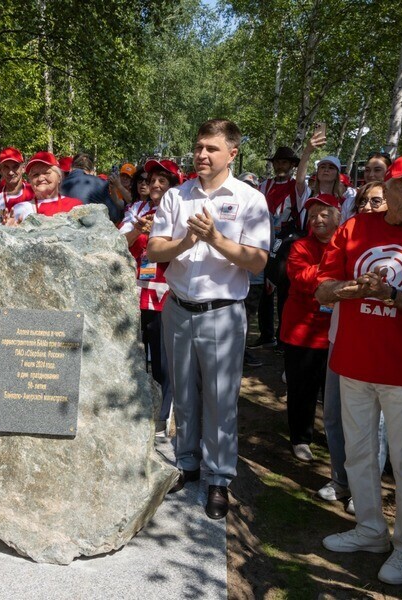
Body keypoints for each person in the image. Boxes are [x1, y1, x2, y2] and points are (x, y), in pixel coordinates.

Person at [315, 153, 402, 585]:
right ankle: (370, 530)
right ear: (387, 189)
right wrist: (351, 289)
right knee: (359, 454)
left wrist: (392, 294)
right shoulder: (354, 228)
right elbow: (323, 290)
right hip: (353, 363)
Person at [148, 119, 270, 520]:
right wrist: (188, 241)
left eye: (211, 149)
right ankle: (187, 463)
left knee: (219, 400)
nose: (201, 155)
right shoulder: (176, 196)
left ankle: (218, 479)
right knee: (183, 392)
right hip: (179, 308)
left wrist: (216, 239)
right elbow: (154, 250)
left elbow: (257, 261)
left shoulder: (250, 199)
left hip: (221, 312)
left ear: (232, 153)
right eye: (198, 147)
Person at [318, 179, 390, 513]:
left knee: (373, 425)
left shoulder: (400, 241)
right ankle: (341, 479)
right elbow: (325, 285)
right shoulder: (347, 235)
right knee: (334, 414)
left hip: (379, 346)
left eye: (377, 201)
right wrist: (346, 287)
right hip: (340, 337)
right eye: (363, 201)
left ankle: (366, 492)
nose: (368, 207)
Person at [118, 159, 182, 436]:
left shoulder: (181, 212)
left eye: (162, 181)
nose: (155, 185)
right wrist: (138, 230)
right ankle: (137, 407)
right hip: (135, 293)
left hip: (167, 293)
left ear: (173, 186)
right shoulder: (136, 209)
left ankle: (163, 414)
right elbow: (119, 242)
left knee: (163, 359)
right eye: (152, 179)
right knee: (134, 355)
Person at [279, 195, 340, 462]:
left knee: (335, 395)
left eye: (325, 214)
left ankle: (335, 438)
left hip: (338, 333)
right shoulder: (299, 246)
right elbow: (303, 279)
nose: (318, 220)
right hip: (302, 331)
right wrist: (336, 269)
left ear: (338, 216)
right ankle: (300, 437)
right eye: (313, 215)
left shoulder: (349, 246)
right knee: (301, 389)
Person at [251, 146, 302, 349]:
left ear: (291, 165)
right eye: (277, 162)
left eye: (284, 162)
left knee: (284, 291)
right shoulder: (264, 186)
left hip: (286, 244)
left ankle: (283, 338)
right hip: (264, 240)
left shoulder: (297, 187)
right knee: (265, 289)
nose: (280, 165)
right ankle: (266, 334)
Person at [0, 147, 35, 226]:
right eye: (6, 167)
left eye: (15, 166)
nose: (11, 172)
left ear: (23, 168)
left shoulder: (34, 193)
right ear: (0, 170)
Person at [18, 152, 83, 217]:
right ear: (30, 181)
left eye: (46, 173)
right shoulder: (21, 209)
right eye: (35, 175)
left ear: (59, 177)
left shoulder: (74, 206)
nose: (40, 178)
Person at [60, 153, 121, 222]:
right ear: (91, 171)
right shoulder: (99, 183)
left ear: (71, 168)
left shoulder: (57, 186)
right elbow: (114, 216)